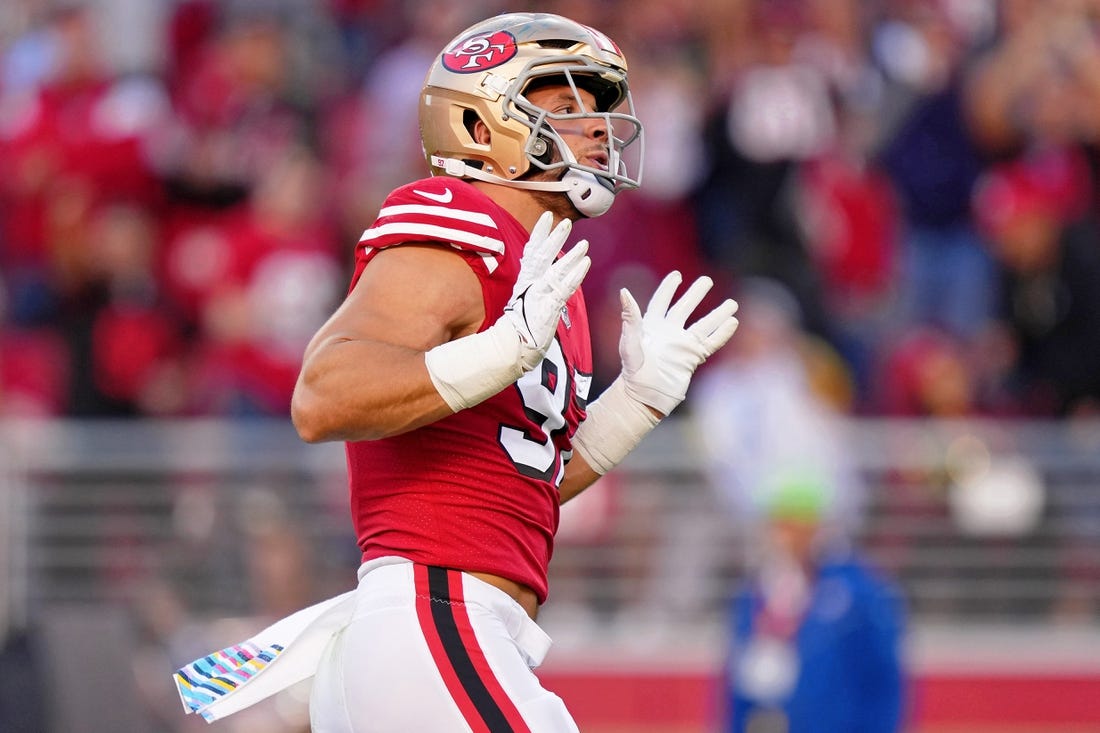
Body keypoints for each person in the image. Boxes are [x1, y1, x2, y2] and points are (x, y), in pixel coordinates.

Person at [171, 12, 740, 732]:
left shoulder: (542, 275)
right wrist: (504, 348)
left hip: (448, 625)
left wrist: (634, 402)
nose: (596, 129)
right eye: (564, 107)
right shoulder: (456, 220)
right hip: (434, 614)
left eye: (599, 109)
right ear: (478, 127)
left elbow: (518, 485)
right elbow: (322, 395)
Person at [723, 470, 907, 733]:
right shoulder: (758, 591)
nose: (779, 536)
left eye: (789, 524)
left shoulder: (859, 593)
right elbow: (736, 683)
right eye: (775, 523)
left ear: (815, 526)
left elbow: (883, 680)